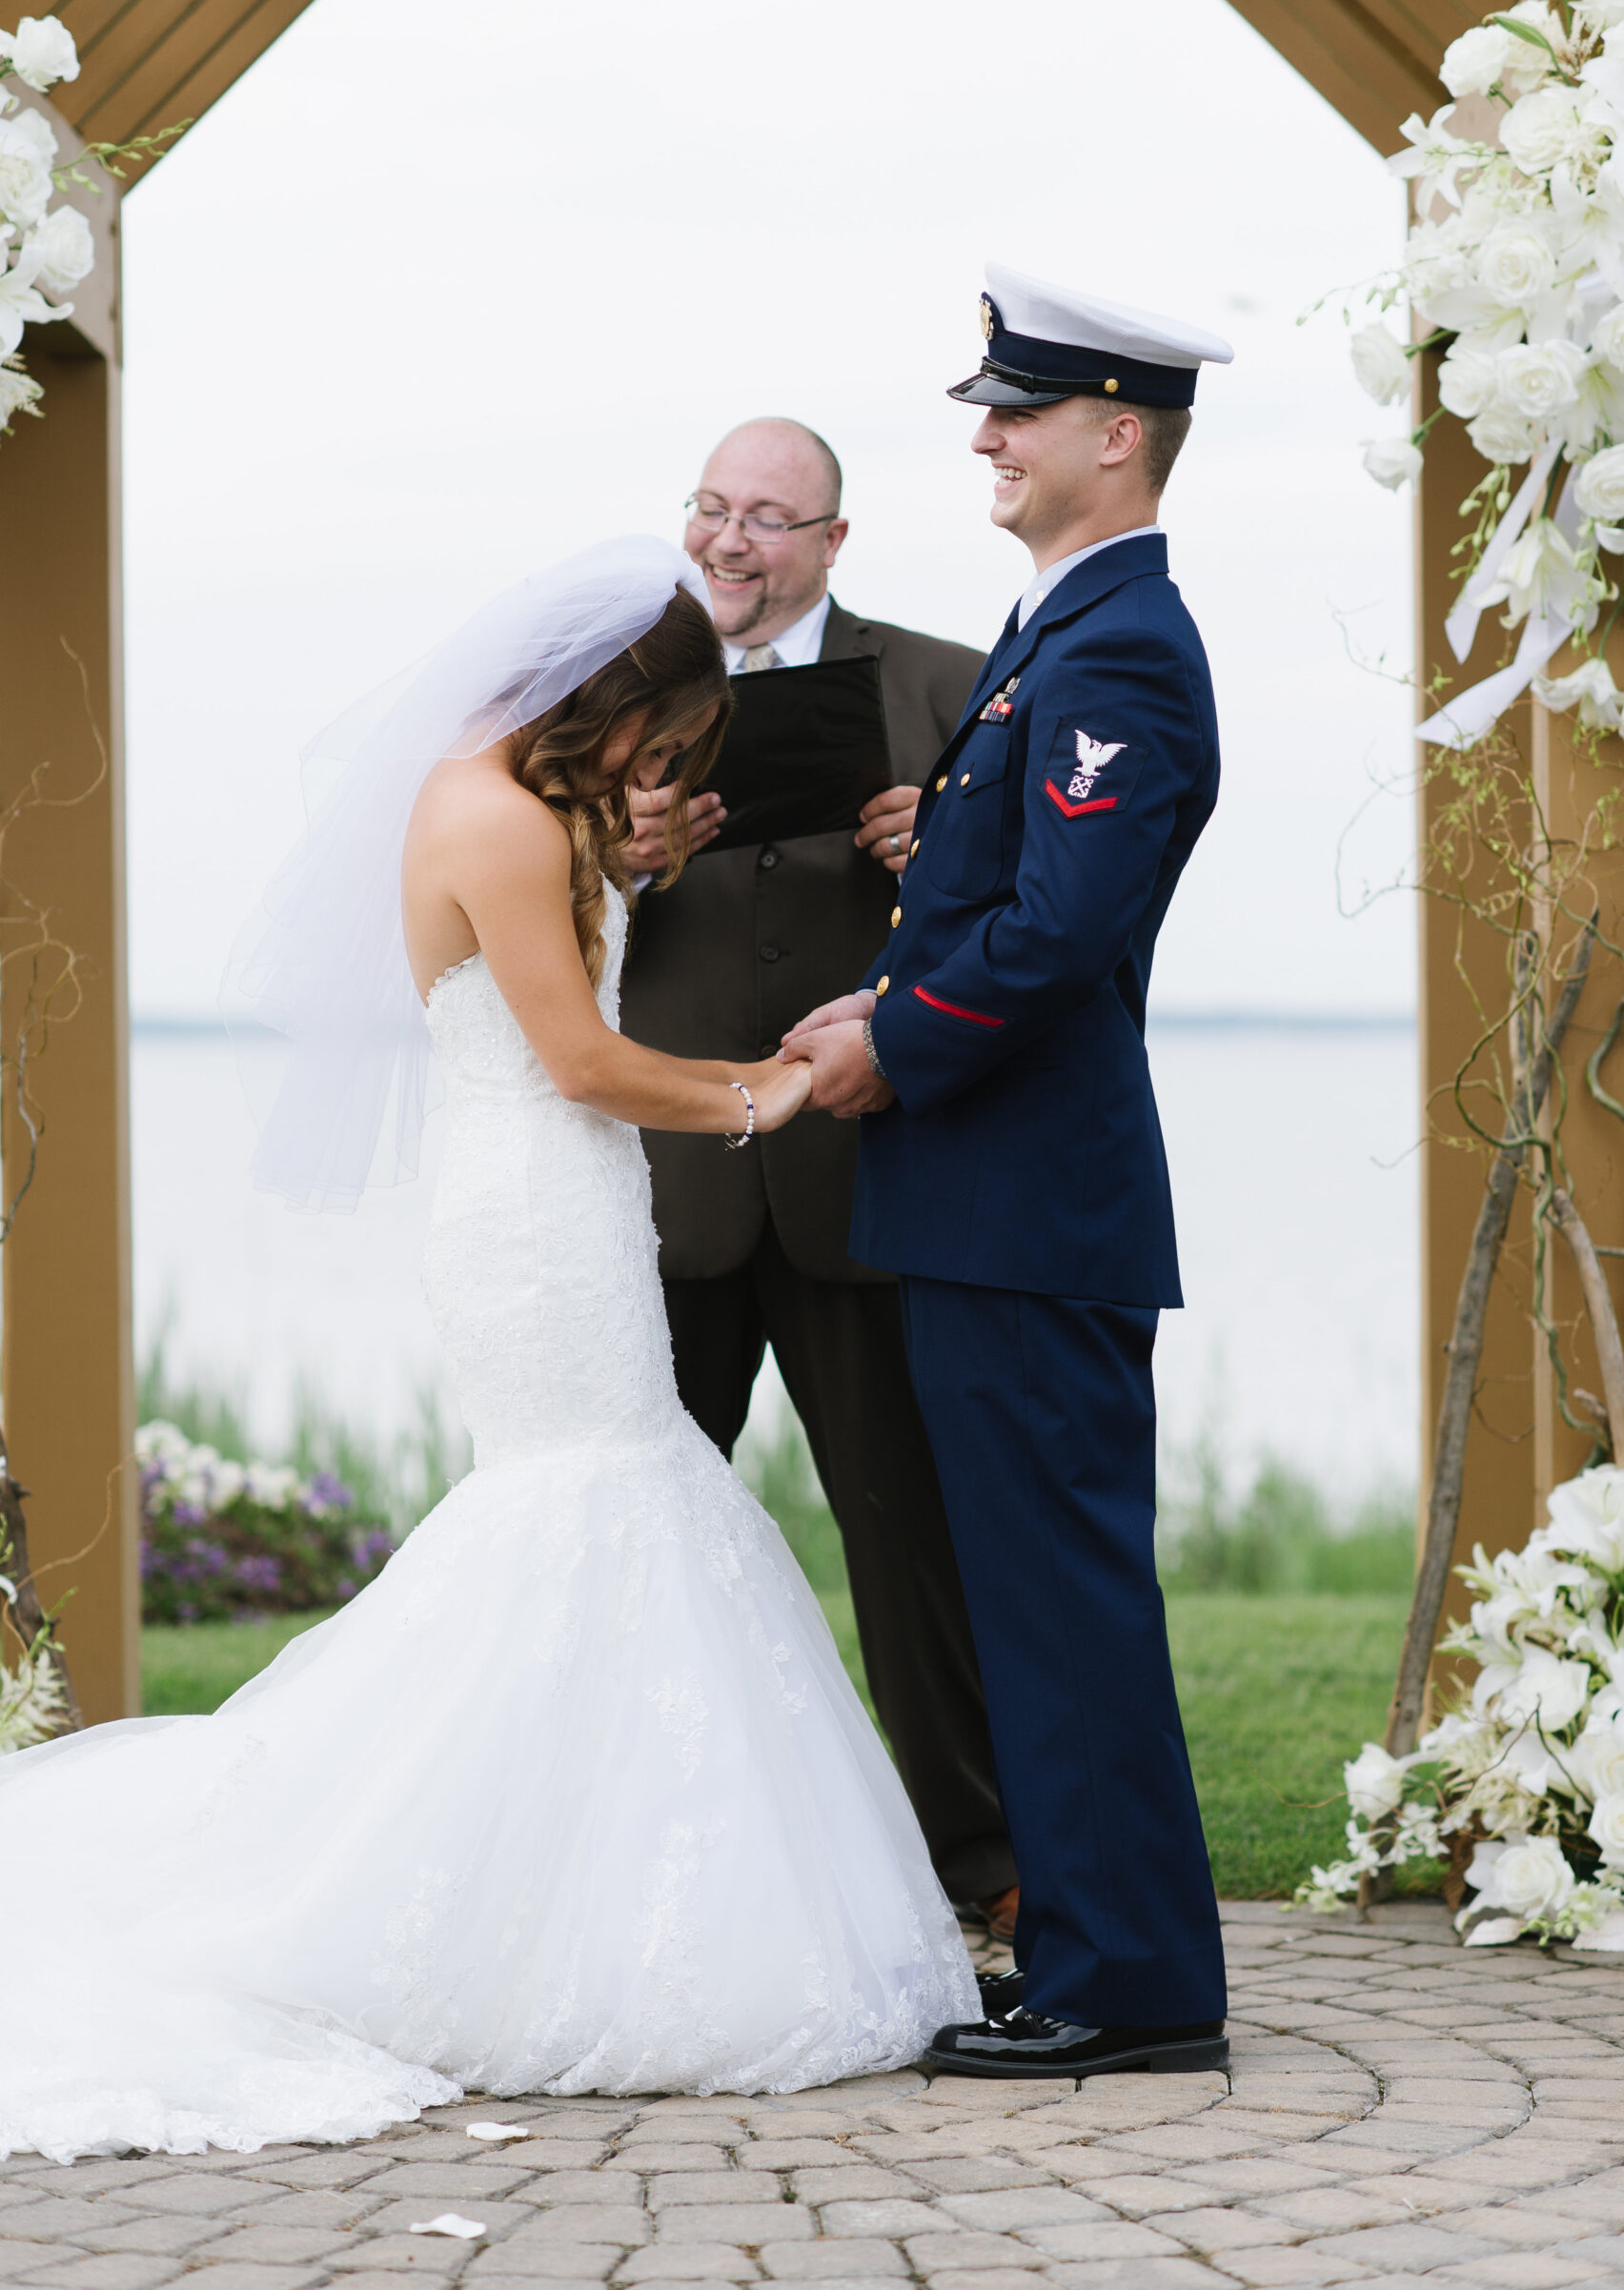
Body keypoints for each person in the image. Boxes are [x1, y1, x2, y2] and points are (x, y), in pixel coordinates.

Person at [0, 537, 978, 2163]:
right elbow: (584, 1059)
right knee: (585, 1510)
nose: (658, 771)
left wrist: (649, 859)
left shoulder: (510, 804)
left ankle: (566, 1897)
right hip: (537, 1204)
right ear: (604, 703)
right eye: (656, 744)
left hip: (554, 1198)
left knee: (612, 1516)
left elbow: (567, 985)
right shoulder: (498, 815)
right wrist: (776, 1088)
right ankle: (453, 1902)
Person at [782, 264, 1233, 2082]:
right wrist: (887, 984)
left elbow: (1062, 936)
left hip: (1031, 1203)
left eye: (1017, 410)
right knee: (1034, 1593)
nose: (986, 433)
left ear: (1113, 435)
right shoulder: (1063, 626)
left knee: (1059, 1599)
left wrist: (895, 1042)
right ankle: (1106, 1957)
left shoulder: (1120, 642)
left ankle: (1120, 1984)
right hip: (1000, 1199)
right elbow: (1010, 916)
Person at [618, 416, 1018, 1929]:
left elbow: (1039, 922)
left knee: (911, 1546)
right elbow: (523, 908)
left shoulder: (944, 680)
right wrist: (626, 850)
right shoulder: (617, 686)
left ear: (833, 542)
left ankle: (976, 1870)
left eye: (772, 518)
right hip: (670, 1194)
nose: (734, 539)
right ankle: (642, 1864)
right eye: (713, 506)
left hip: (865, 1184)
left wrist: (951, 856)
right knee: (640, 1543)